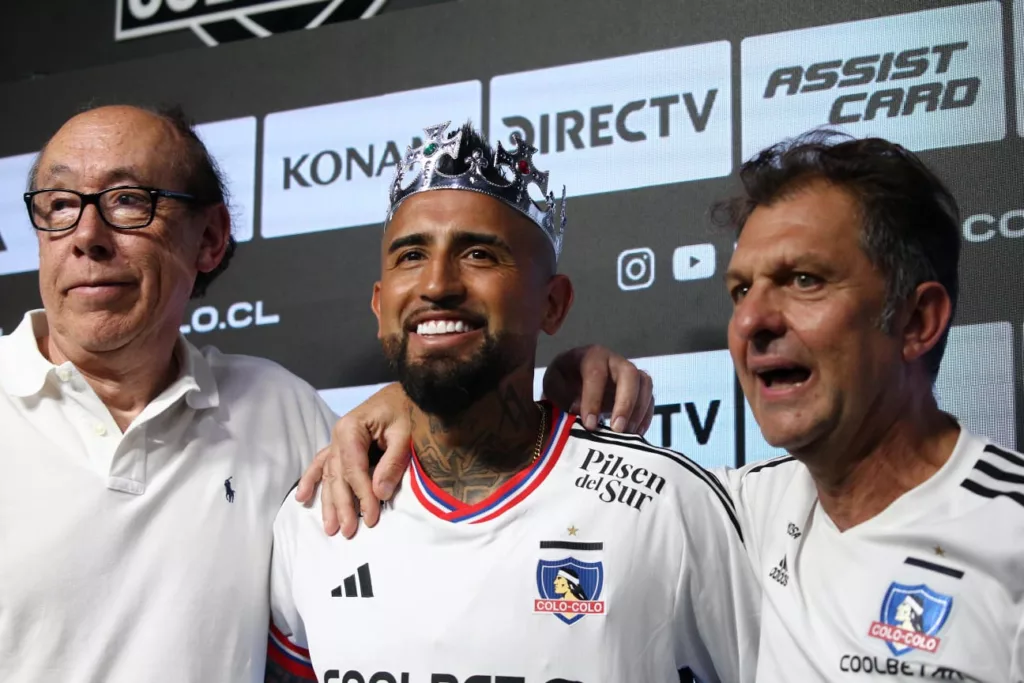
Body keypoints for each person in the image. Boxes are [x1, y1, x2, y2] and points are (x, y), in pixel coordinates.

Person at [332, 131, 1024, 681]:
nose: (753, 321)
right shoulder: (725, 512)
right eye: (739, 291)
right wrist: (419, 393)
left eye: (804, 280)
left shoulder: (1010, 536)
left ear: (917, 322)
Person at [0, 104, 651, 683]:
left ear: (211, 238)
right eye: (58, 205)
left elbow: (452, 451)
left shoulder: (282, 411)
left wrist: (538, 388)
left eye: (126, 201)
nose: (85, 236)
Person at [265, 122, 760, 683]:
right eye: (409, 255)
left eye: (478, 253)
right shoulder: (315, 514)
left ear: (552, 304)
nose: (437, 285)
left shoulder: (668, 505)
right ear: (381, 307)